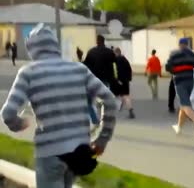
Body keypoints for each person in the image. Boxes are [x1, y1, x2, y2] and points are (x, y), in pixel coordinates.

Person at [0, 23, 116, 188]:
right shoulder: (79, 69)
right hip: (79, 152)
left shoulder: (29, 73)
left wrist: (20, 124)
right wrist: (102, 138)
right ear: (55, 46)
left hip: (50, 153)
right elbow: (109, 100)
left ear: (32, 49)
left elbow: (8, 113)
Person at [166, 38, 194, 137]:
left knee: (185, 104)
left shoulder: (174, 54)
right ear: (187, 44)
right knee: (183, 106)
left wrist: (175, 70)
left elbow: (168, 67)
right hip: (192, 81)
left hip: (180, 81)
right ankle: (178, 127)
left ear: (179, 44)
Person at [83, 35, 116, 127]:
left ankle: (95, 120)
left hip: (93, 81)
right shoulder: (110, 52)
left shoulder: (91, 52)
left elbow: (86, 65)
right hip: (106, 80)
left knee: (88, 102)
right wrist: (114, 79)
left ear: (97, 41)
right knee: (105, 101)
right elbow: (114, 64)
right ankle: (106, 119)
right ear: (103, 41)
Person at [114, 47, 135, 119]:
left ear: (116, 53)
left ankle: (124, 109)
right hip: (126, 81)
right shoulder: (125, 60)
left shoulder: (117, 60)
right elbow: (129, 69)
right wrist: (129, 79)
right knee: (125, 95)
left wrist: (117, 80)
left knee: (121, 95)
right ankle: (127, 108)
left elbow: (118, 71)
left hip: (120, 80)